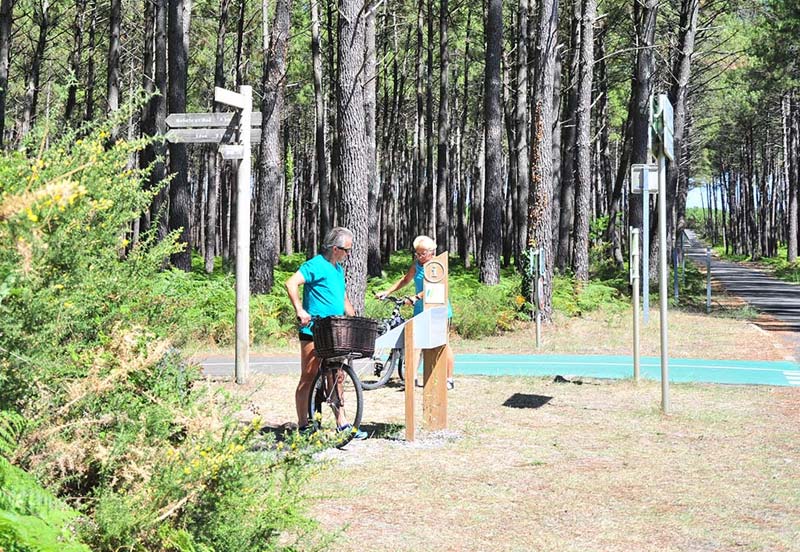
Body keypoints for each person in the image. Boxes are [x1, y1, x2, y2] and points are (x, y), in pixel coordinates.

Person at [285, 227, 367, 439]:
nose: (348, 255)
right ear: (335, 248)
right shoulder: (315, 265)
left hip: (334, 330)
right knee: (309, 376)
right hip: (313, 330)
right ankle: (303, 426)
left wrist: (353, 316)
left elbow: (342, 297)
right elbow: (291, 283)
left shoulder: (338, 270)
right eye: (346, 250)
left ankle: (342, 424)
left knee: (337, 375)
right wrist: (300, 310)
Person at [375, 235, 455, 389]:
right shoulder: (417, 265)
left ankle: (449, 379)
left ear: (431, 252)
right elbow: (405, 280)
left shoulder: (437, 266)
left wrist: (416, 297)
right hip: (420, 311)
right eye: (417, 253)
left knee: (443, 345)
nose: (419, 257)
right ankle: (412, 379)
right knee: (416, 344)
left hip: (438, 310)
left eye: (422, 253)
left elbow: (436, 287)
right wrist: (387, 291)